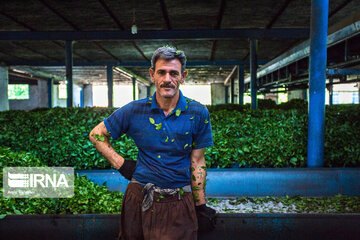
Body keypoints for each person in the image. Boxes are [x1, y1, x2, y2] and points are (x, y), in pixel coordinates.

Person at [89, 46, 216, 240]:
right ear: (152, 75)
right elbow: (96, 134)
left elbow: (197, 161)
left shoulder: (198, 113)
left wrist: (200, 205)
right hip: (139, 197)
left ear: (183, 76)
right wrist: (121, 164)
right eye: (161, 72)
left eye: (174, 73)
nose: (167, 79)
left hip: (179, 201)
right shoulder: (135, 110)